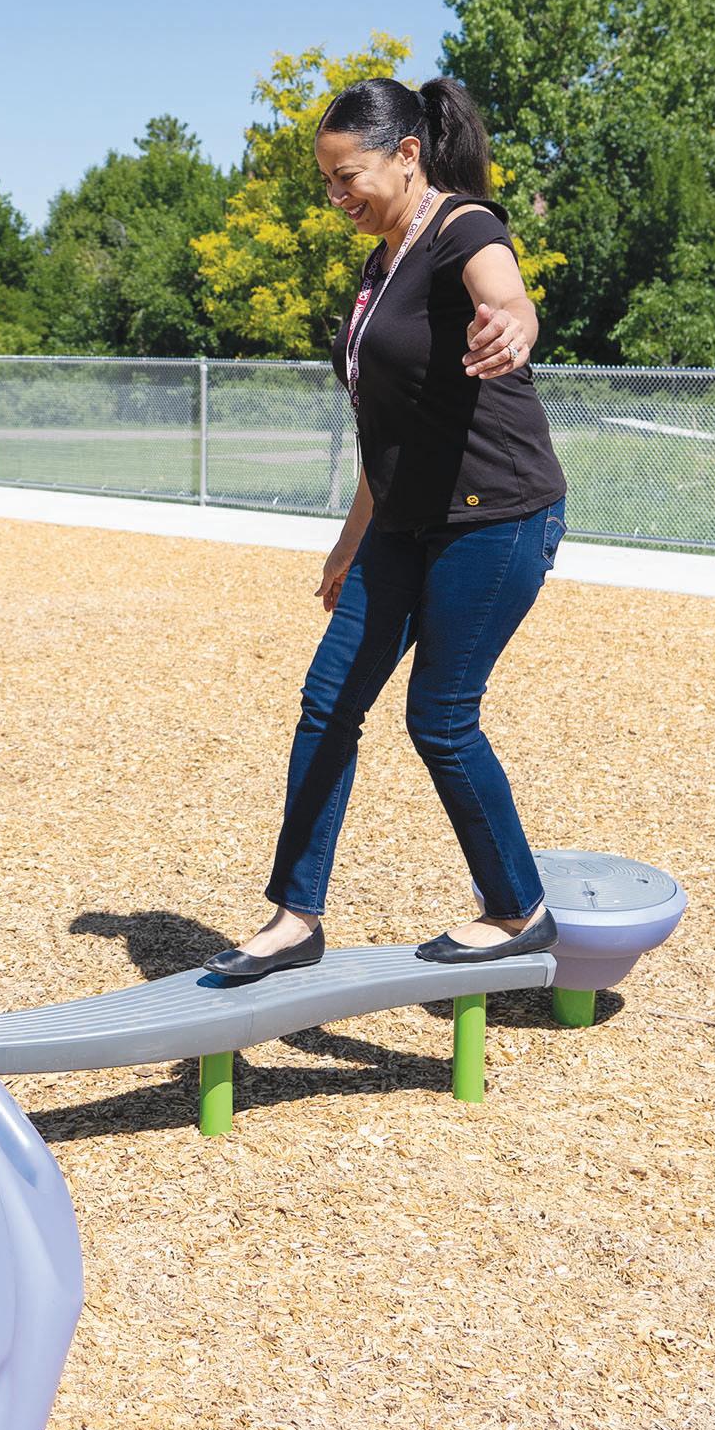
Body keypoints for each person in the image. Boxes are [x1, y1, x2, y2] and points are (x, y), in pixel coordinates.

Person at [205, 76, 569, 981]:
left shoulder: (462, 228)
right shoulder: (381, 266)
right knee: (328, 703)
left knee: (439, 717)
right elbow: (387, 428)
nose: (337, 197)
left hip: (495, 518)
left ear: (408, 156)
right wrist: (347, 544)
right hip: (401, 525)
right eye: (327, 181)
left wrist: (514, 323)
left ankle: (517, 908)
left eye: (348, 177)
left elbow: (506, 293)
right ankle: (295, 918)